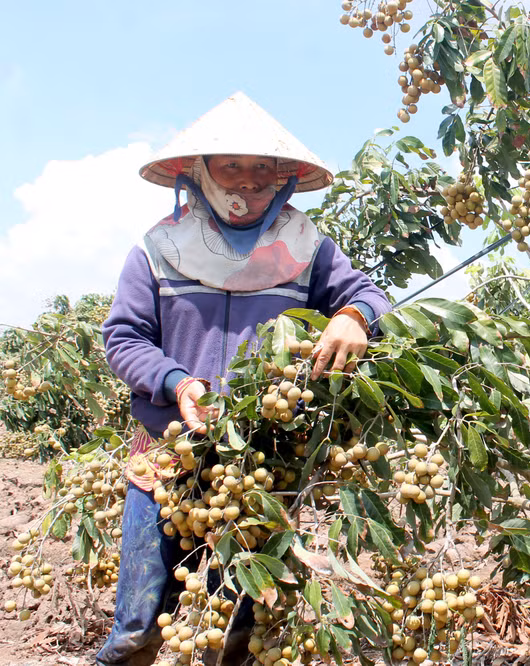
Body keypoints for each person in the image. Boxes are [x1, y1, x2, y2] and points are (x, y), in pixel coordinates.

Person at [96, 92, 391, 666]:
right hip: (169, 459)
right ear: (199, 172)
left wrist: (354, 318)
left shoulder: (308, 249)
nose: (249, 181)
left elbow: (366, 297)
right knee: (139, 624)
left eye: (263, 168)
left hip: (263, 464)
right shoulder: (158, 250)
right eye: (231, 165)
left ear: (284, 178)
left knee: (238, 627)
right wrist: (177, 383)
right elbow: (124, 339)